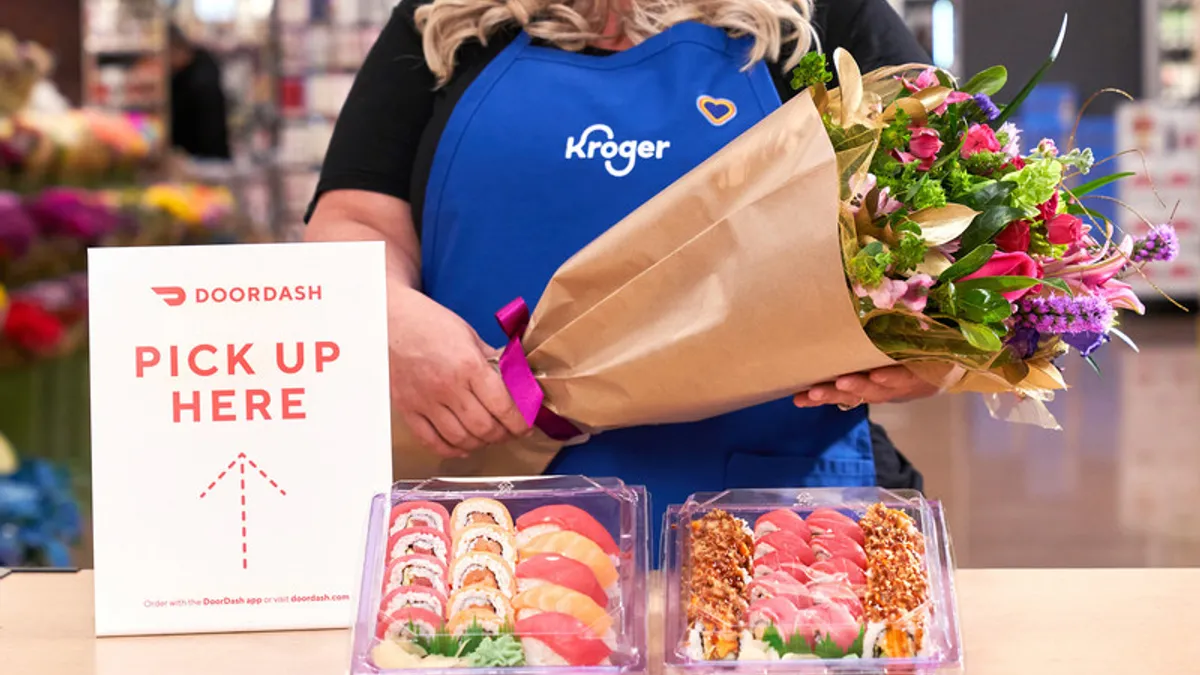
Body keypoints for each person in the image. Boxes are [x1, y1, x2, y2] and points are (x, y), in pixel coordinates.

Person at [305, 0, 935, 529]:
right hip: (485, 498)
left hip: (770, 506)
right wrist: (394, 320)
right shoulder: (449, 19)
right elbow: (354, 219)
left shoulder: (818, 16)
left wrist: (932, 353)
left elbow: (949, 215)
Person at [167, 24, 231, 160]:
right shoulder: (201, 68)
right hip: (207, 157)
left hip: (204, 159)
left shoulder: (199, 80)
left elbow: (208, 130)